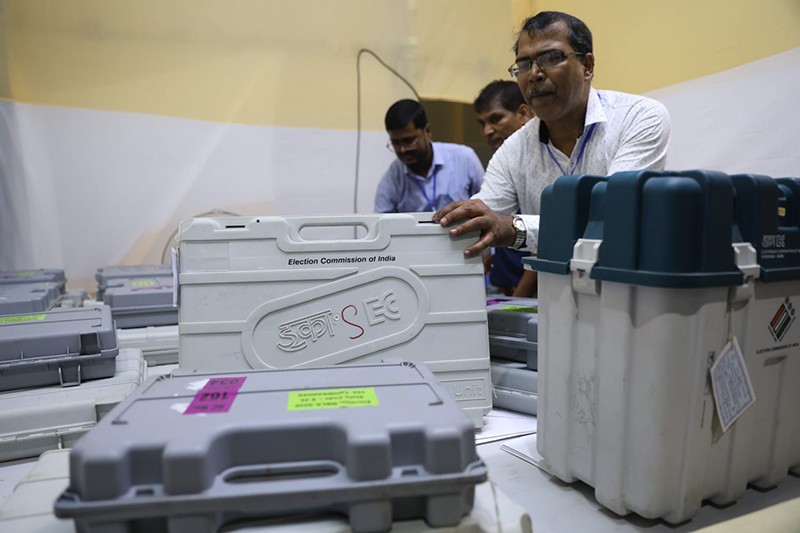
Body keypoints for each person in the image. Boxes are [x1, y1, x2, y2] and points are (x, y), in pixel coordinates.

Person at [433, 11, 671, 258]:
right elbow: (484, 216)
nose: (534, 74)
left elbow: (611, 216)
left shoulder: (638, 117)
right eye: (524, 65)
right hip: (553, 283)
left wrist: (516, 229)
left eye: (551, 58)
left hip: (626, 277)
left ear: (587, 66)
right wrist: (458, 222)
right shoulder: (513, 150)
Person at [473, 80, 537, 297]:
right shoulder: (502, 164)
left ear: (524, 113)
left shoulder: (538, 163)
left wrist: (517, 301)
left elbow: (546, 246)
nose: (487, 131)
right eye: (482, 123)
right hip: (504, 290)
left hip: (530, 295)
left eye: (495, 119)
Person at [374, 99, 484, 213]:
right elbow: (380, 221)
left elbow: (487, 205)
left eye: (408, 141)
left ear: (427, 131)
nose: (402, 149)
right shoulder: (393, 177)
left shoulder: (464, 159)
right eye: (396, 143)